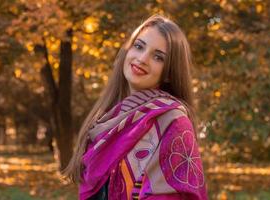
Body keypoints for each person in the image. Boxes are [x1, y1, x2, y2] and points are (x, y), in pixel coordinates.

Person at [63, 14, 208, 200]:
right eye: (139, 46)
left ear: (169, 73)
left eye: (158, 57)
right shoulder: (107, 117)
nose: (142, 58)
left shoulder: (173, 122)